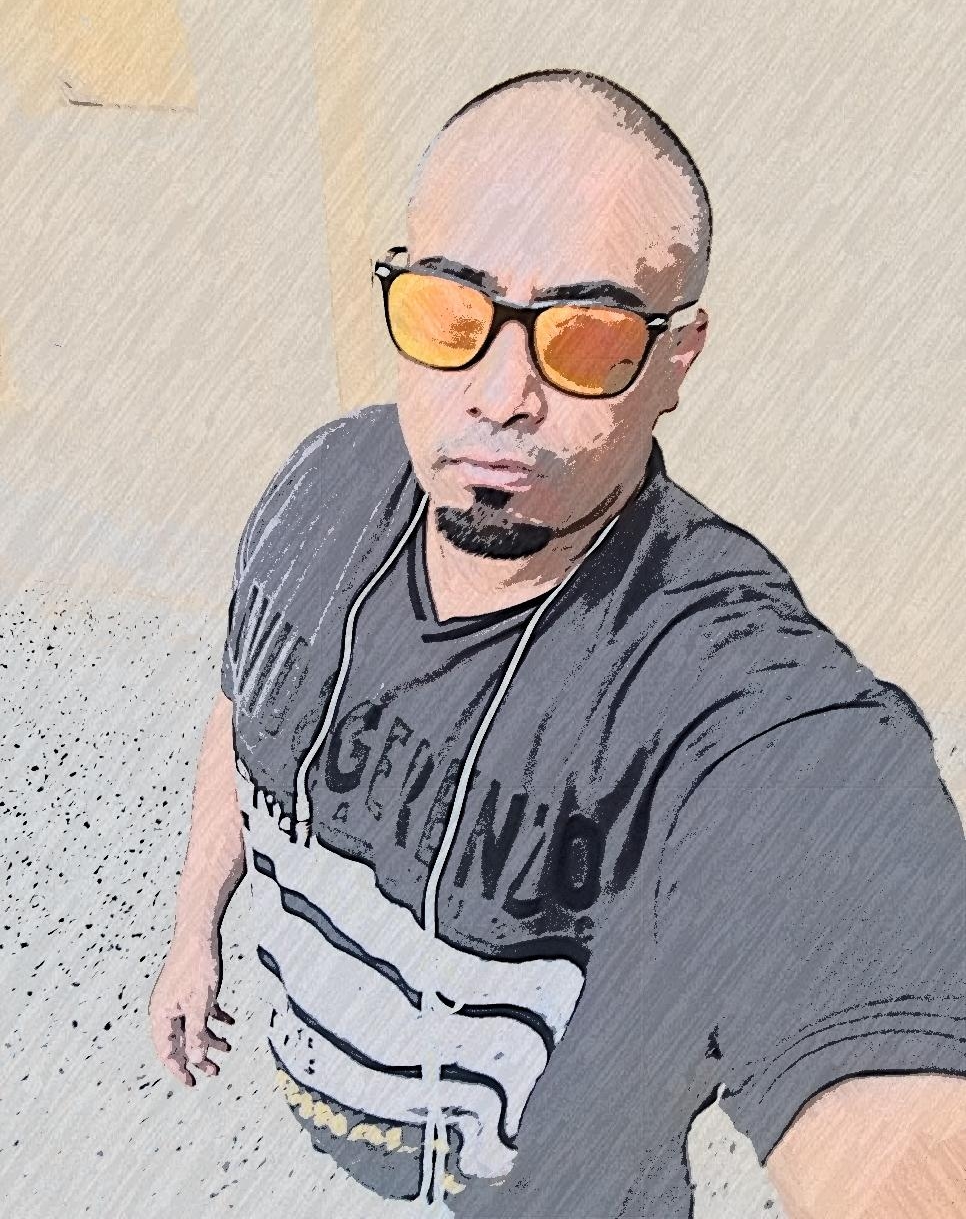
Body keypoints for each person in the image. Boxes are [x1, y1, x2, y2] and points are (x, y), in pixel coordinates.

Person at [149, 69, 966, 1218]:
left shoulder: (736, 698)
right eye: (451, 312)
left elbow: (884, 1069)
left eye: (585, 338)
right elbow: (243, 717)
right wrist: (195, 932)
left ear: (676, 362)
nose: (502, 392)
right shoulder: (319, 490)